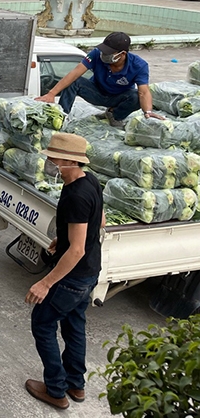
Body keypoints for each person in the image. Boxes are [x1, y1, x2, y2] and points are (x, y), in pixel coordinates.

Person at [24, 132, 105, 411]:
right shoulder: (89, 181)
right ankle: (75, 384)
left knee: (42, 323)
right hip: (90, 271)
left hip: (73, 276)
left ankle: (56, 390)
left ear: (68, 161)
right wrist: (66, 237)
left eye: (53, 159)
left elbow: (77, 251)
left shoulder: (76, 196)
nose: (49, 163)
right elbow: (99, 220)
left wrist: (45, 283)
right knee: (74, 324)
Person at [35, 32, 163, 127]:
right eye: (103, 51)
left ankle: (114, 115)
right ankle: (61, 116)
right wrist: (51, 94)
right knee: (74, 81)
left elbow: (144, 92)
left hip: (118, 98)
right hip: (96, 93)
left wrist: (148, 112)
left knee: (136, 97)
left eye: (108, 53)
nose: (104, 54)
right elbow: (75, 73)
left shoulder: (139, 65)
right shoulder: (96, 54)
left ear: (122, 53)